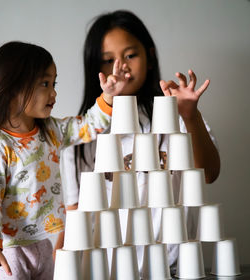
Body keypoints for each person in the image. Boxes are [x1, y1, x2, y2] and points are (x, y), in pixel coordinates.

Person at [61, 10, 220, 272]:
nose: (120, 66)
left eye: (130, 55)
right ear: (94, 68)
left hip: (175, 269)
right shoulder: (81, 135)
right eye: (107, 59)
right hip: (107, 271)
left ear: (149, 56)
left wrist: (190, 116)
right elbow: (75, 219)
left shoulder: (175, 116)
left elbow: (209, 174)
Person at [0, 41, 131, 280]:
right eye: (45, 83)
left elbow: (87, 126)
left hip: (43, 245)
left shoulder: (51, 131)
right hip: (10, 251)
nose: (53, 92)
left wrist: (108, 97)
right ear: (13, 88)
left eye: (54, 83)